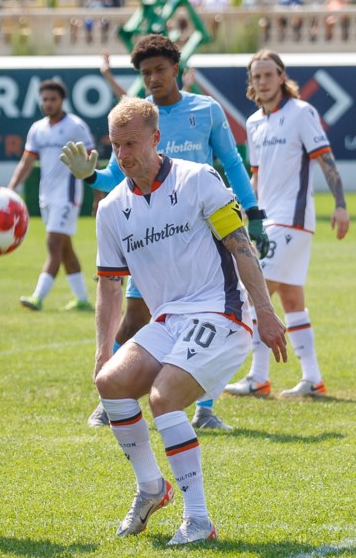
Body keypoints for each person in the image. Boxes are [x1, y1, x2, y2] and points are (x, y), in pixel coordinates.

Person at [92, 96, 288, 545]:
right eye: (115, 146)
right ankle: (150, 488)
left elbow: (241, 246)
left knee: (164, 398)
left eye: (132, 144)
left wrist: (266, 311)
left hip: (222, 312)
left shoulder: (198, 179)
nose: (122, 155)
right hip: (168, 319)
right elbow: (108, 284)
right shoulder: (110, 209)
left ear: (156, 139)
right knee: (112, 383)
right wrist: (103, 351)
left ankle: (198, 520)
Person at [62, 34, 270, 431]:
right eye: (145, 73)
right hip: (152, 234)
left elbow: (231, 161)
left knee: (209, 315)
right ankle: (113, 399)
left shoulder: (206, 110)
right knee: (134, 319)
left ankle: (204, 410)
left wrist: (254, 213)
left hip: (202, 232)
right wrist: (90, 176)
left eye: (159, 69)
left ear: (176, 68)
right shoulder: (136, 116)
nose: (153, 78)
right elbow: (118, 177)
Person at [224, 49, 349, 399]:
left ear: (282, 77)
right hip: (266, 221)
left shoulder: (301, 112)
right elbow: (256, 173)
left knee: (256, 294)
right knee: (292, 300)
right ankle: (313, 379)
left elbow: (325, 159)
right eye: (256, 76)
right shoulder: (253, 123)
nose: (262, 81)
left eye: (268, 74)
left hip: (292, 221)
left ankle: (258, 377)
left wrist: (340, 205)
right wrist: (247, 211)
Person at [9, 80, 96, 312]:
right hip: (46, 196)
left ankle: (38, 297)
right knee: (65, 248)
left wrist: (98, 195)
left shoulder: (75, 126)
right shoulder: (37, 129)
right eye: (45, 99)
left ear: (62, 101)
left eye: (53, 99)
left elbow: (90, 159)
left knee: (53, 242)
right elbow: (27, 162)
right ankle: (82, 300)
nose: (48, 103)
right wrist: (11, 188)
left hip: (67, 195)